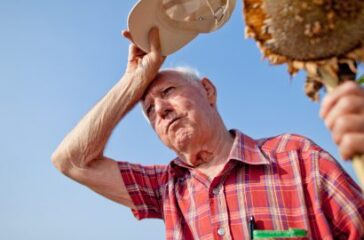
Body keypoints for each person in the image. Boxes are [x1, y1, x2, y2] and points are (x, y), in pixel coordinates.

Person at [52, 28, 364, 239]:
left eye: (169, 91)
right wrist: (133, 82)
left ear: (208, 90)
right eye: (148, 110)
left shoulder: (297, 157)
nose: (160, 110)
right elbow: (72, 160)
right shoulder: (167, 188)